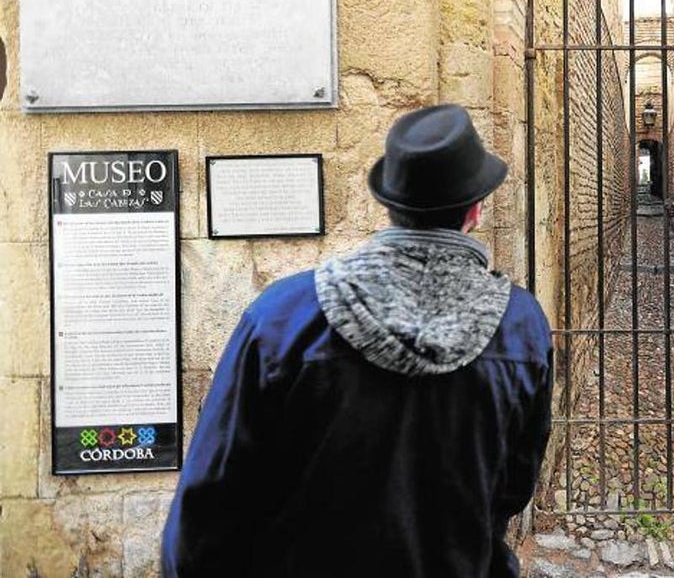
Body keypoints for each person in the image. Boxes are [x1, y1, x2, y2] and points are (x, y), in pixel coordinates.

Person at [162, 104, 553, 577]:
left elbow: (210, 495)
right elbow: (513, 484)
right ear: (475, 209)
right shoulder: (520, 327)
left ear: (389, 205)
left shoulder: (284, 318)